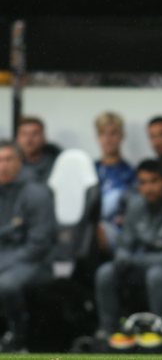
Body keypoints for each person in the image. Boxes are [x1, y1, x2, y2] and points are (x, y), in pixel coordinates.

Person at [95, 160, 162, 349]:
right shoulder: (135, 205)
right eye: (143, 182)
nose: (148, 188)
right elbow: (126, 244)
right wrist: (121, 255)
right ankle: (111, 330)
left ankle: (161, 331)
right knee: (106, 272)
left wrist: (134, 259)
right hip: (142, 265)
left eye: (153, 181)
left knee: (157, 274)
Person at [0, 140, 56, 352]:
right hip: (6, 260)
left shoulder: (36, 193)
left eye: (8, 159)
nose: (3, 166)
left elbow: (39, 245)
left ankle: (18, 339)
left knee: (6, 284)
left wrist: (2, 263)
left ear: (19, 162)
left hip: (37, 263)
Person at [94, 112, 136, 250]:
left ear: (121, 135)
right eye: (103, 133)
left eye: (113, 133)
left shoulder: (131, 173)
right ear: (98, 137)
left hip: (119, 234)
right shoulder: (89, 170)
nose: (108, 139)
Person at [15, 116, 61, 183]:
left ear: (44, 137)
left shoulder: (58, 161)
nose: (29, 139)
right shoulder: (8, 161)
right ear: (17, 138)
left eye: (35, 134)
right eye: (24, 134)